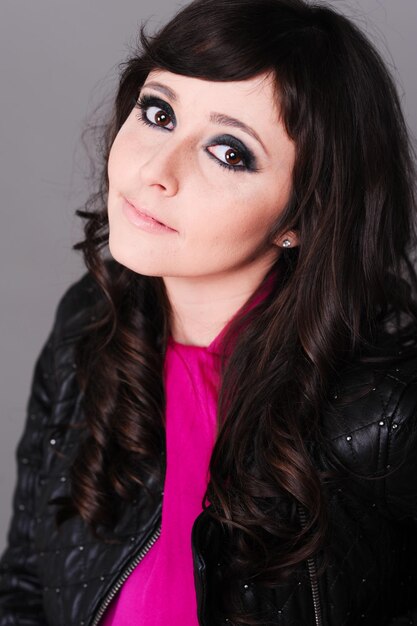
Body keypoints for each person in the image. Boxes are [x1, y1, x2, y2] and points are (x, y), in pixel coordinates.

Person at [1, 0, 417, 624]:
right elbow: (26, 590)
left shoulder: (387, 411)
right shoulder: (88, 327)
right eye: (159, 112)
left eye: (228, 152)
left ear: (300, 218)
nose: (155, 171)